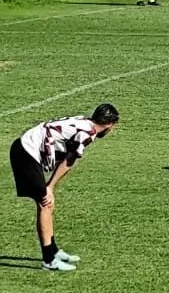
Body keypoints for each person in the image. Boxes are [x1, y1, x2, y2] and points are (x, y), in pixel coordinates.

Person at [8, 103, 120, 272]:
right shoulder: (87, 134)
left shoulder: (84, 122)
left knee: (48, 203)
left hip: (26, 148)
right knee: (45, 203)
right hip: (25, 152)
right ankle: (49, 261)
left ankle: (53, 250)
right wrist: (50, 186)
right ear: (110, 125)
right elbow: (68, 162)